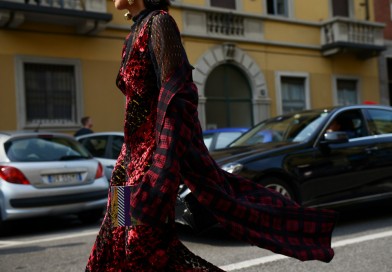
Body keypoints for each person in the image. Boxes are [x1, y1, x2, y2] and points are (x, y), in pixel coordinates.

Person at [86, 0, 338, 271]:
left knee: (143, 248)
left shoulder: (159, 23)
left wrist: (161, 169)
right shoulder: (131, 35)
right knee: (113, 243)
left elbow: (178, 98)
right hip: (126, 165)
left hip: (150, 165)